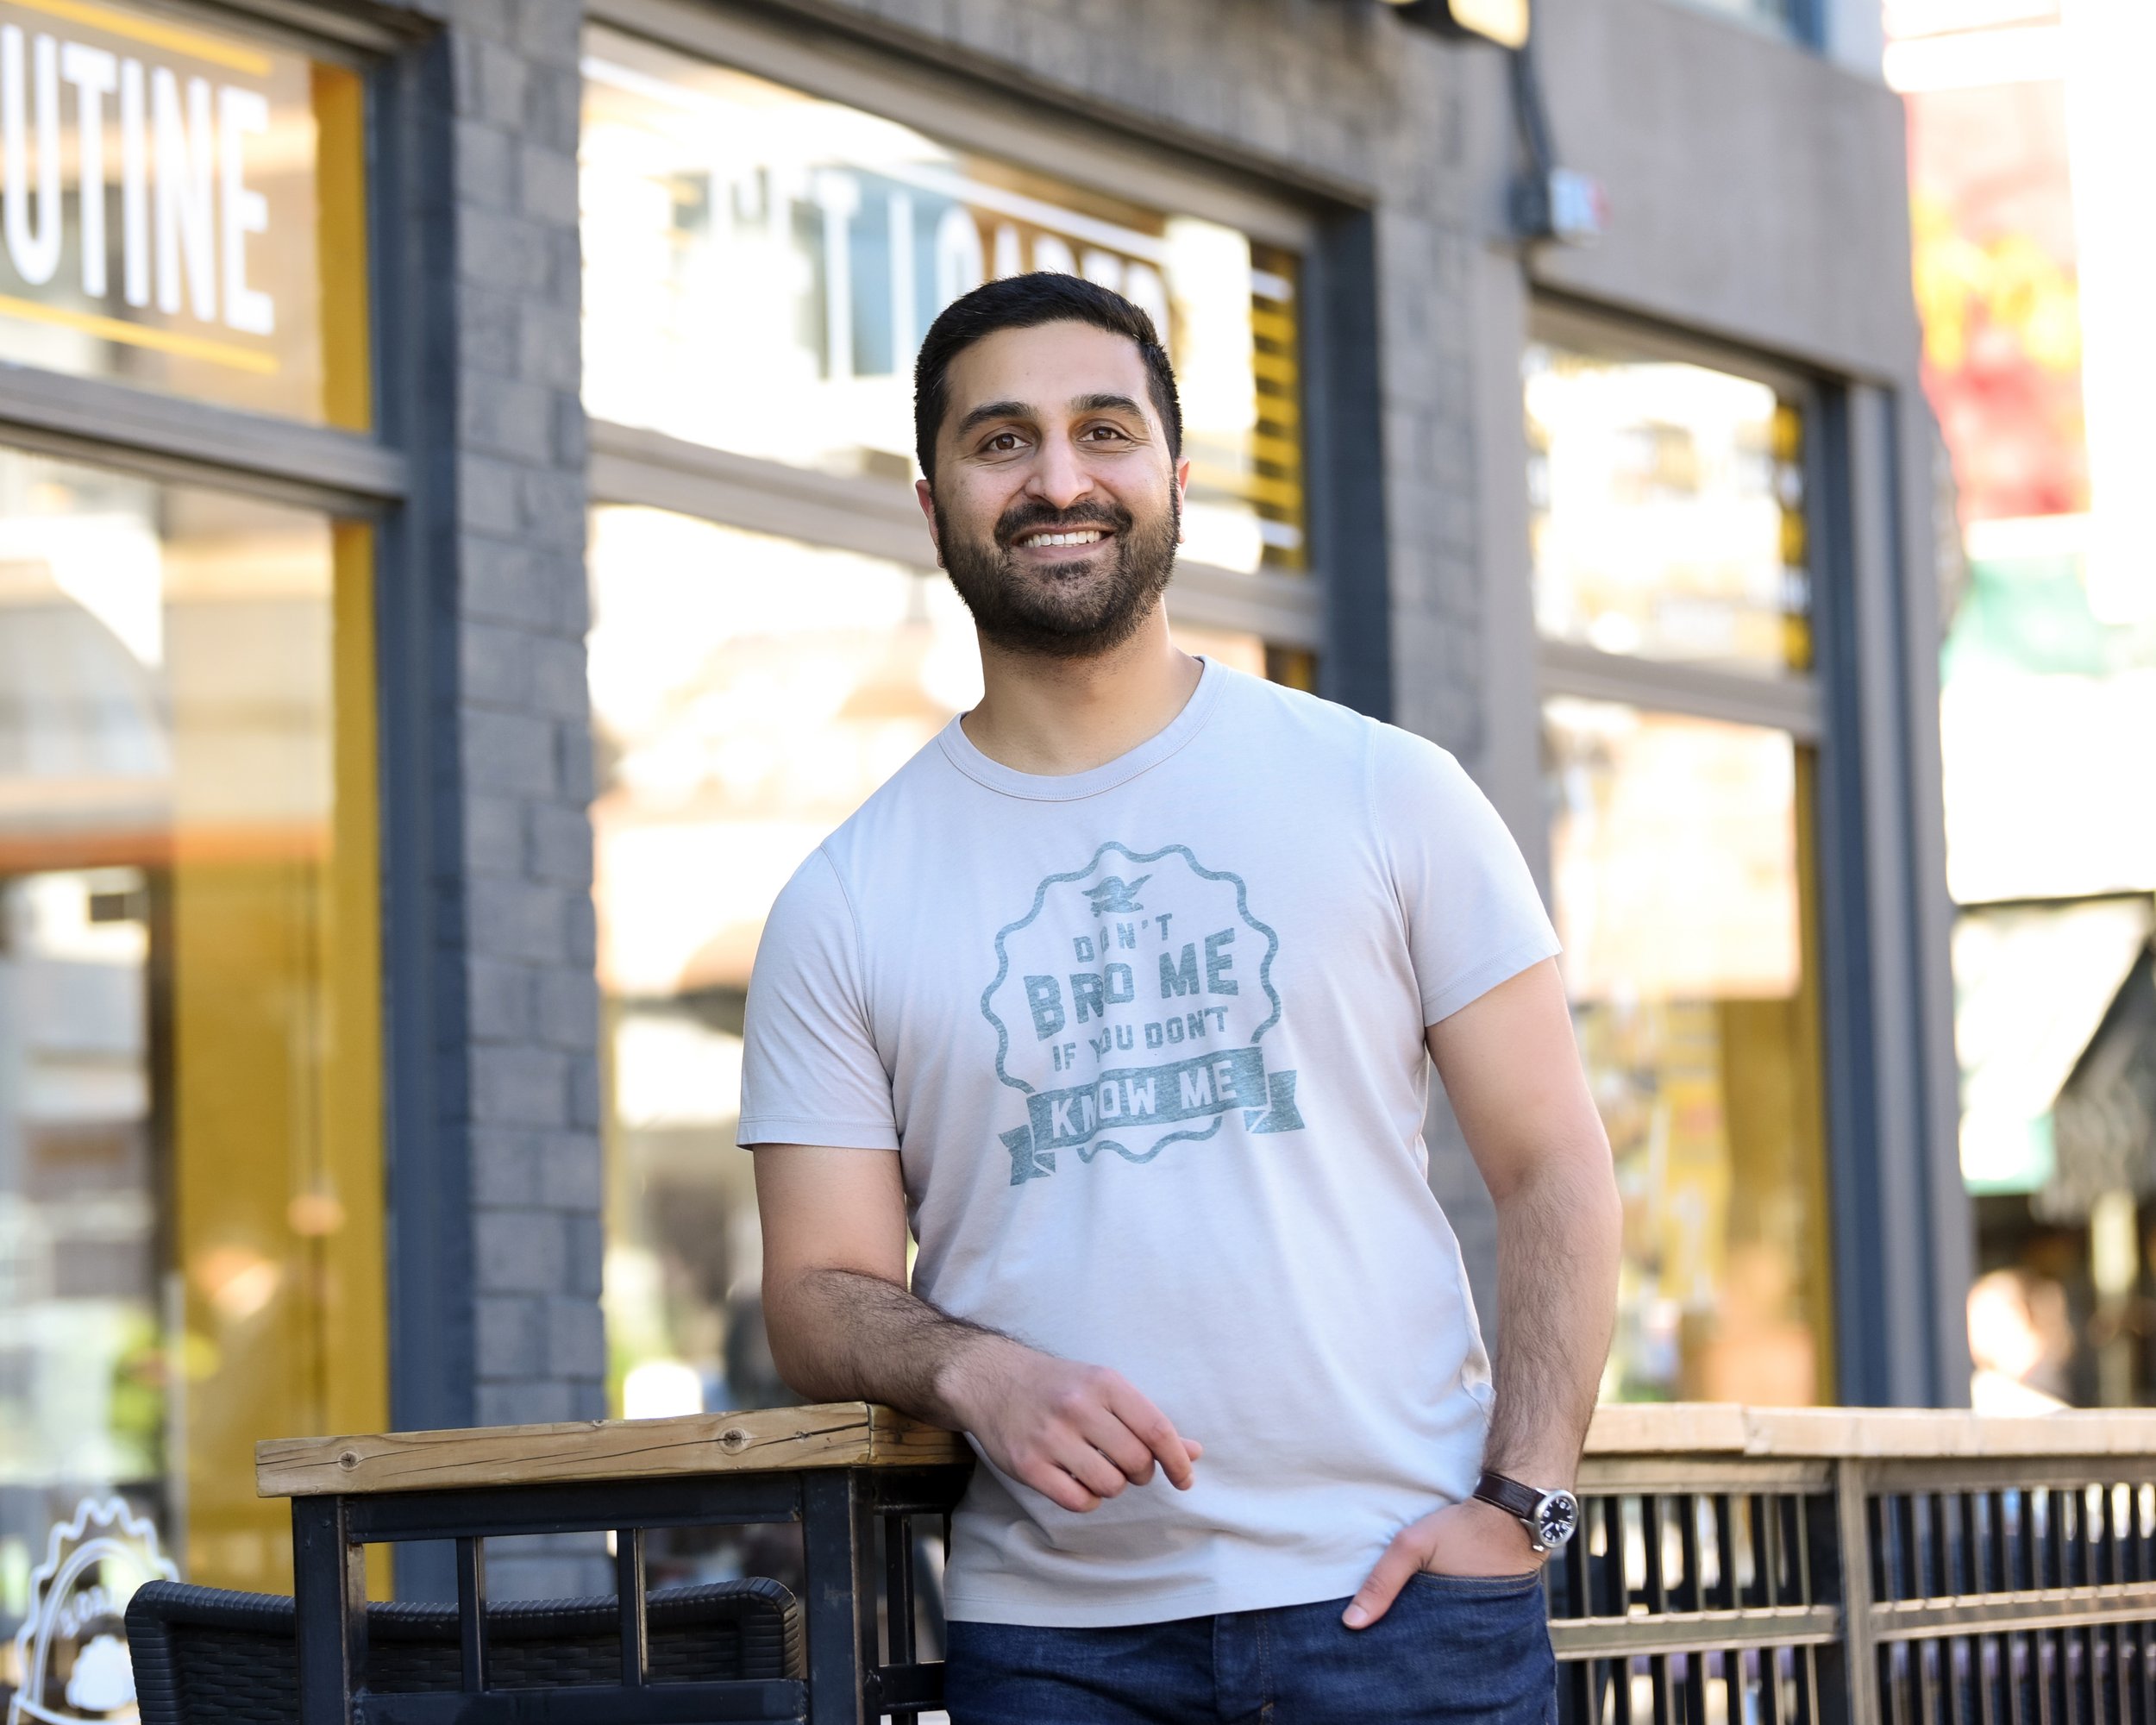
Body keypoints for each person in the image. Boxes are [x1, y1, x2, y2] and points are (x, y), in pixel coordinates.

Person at [739, 273, 1622, 1724]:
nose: (1060, 478)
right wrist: (977, 1375)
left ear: (1175, 479)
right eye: (1002, 440)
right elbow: (818, 1291)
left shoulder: (1384, 790)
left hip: (1404, 1613)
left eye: (1105, 430)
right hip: (1062, 1646)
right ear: (933, 497)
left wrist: (1525, 1506)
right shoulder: (846, 898)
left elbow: (1555, 1167)